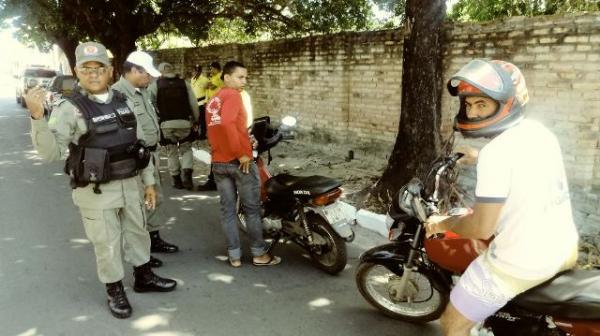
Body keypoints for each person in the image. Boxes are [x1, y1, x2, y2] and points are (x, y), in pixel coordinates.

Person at [425, 59, 579, 336]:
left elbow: (481, 227)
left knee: (451, 323)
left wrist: (442, 223)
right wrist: (479, 156)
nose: (472, 114)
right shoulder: (539, 132)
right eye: (469, 105)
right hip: (564, 248)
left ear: (508, 103)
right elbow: (521, 163)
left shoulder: (497, 154)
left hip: (522, 262)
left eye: (482, 104)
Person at [24, 42, 176, 319]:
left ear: (110, 71)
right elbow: (51, 153)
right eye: (86, 68)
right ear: (76, 71)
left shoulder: (125, 101)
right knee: (106, 242)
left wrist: (150, 182)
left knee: (138, 232)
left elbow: (139, 146)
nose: (93, 74)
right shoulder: (70, 109)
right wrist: (36, 117)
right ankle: (114, 288)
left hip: (132, 183)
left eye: (99, 68)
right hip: (96, 191)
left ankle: (143, 276)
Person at [205, 60, 281, 268]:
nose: (244, 81)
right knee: (251, 209)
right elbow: (229, 123)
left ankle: (235, 256)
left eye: (246, 77)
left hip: (219, 163)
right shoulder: (233, 96)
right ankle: (259, 254)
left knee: (228, 210)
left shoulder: (214, 100)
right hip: (240, 164)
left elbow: (216, 129)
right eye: (240, 77)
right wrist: (242, 154)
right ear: (226, 77)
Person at [112, 51, 179, 263]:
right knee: (138, 206)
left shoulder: (140, 91)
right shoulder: (117, 95)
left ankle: (153, 238)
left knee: (154, 199)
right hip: (135, 158)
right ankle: (142, 253)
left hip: (151, 154)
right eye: (145, 73)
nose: (149, 78)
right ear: (133, 70)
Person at [150, 62, 200, 190]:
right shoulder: (184, 84)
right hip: (184, 123)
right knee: (186, 148)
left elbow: (150, 104)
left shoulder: (155, 85)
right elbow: (193, 104)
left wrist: (157, 120)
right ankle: (187, 175)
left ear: (161, 72)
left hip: (166, 124)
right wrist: (195, 119)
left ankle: (176, 179)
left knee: (171, 151)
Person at [197, 61, 224, 191]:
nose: (211, 70)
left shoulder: (220, 77)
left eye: (212, 68)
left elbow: (213, 87)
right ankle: (214, 179)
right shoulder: (212, 77)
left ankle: (214, 180)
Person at [191, 64, 209, 140]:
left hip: (202, 102)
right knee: (194, 120)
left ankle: (203, 135)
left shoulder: (205, 79)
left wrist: (206, 101)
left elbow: (208, 91)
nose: (196, 72)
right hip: (194, 103)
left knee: (202, 120)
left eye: (198, 70)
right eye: (195, 70)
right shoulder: (192, 79)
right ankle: (195, 135)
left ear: (200, 71)